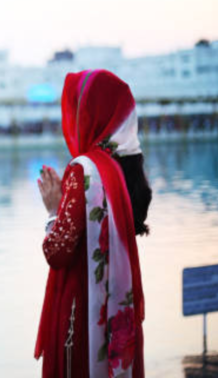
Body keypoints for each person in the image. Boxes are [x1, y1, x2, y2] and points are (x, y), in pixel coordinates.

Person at [35, 70, 152, 377]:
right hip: (113, 307)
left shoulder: (83, 169)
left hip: (83, 313)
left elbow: (57, 252)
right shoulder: (120, 165)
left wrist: (52, 210)